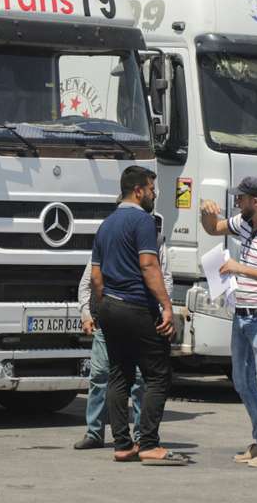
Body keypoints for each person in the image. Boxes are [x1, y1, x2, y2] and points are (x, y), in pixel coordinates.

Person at [90, 166, 187, 465]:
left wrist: (102, 308)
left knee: (119, 373)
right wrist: (167, 306)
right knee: (158, 374)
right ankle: (148, 443)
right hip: (135, 305)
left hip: (110, 306)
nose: (154, 194)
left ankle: (122, 444)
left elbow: (96, 276)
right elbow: (149, 265)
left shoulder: (105, 225)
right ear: (138, 191)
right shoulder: (143, 221)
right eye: (152, 189)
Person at [199, 176, 257, 469]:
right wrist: (205, 212)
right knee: (242, 381)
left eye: (240, 199)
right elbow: (213, 228)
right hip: (242, 313)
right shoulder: (243, 222)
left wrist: (242, 268)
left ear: (256, 201)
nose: (236, 204)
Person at [73, 210, 173, 450]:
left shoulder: (154, 245)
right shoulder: (117, 241)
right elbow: (90, 279)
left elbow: (165, 279)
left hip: (119, 314)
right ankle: (98, 433)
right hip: (124, 315)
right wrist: (89, 312)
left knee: (133, 379)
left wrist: (107, 306)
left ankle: (133, 439)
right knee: (102, 376)